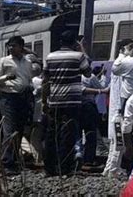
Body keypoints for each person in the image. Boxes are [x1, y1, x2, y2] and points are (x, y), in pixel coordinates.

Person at [43, 30, 92, 176]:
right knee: (68, 135)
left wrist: (46, 101)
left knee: (52, 135)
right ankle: (65, 168)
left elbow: (46, 80)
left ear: (60, 42)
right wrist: (82, 49)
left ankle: (49, 168)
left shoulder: (50, 57)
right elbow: (88, 73)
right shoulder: (79, 56)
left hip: (54, 101)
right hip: (72, 102)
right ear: (74, 43)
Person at [0, 35, 33, 172]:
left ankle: (15, 159)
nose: (11, 48)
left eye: (14, 45)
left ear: (21, 47)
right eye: (9, 46)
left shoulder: (27, 62)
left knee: (19, 129)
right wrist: (6, 77)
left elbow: (28, 79)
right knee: (9, 129)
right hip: (8, 97)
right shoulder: (4, 61)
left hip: (24, 97)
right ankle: (6, 161)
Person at [103, 39, 133, 177]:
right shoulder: (123, 63)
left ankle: (109, 167)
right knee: (119, 140)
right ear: (122, 49)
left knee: (115, 141)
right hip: (119, 108)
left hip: (115, 107)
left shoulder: (119, 62)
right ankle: (113, 169)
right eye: (130, 48)